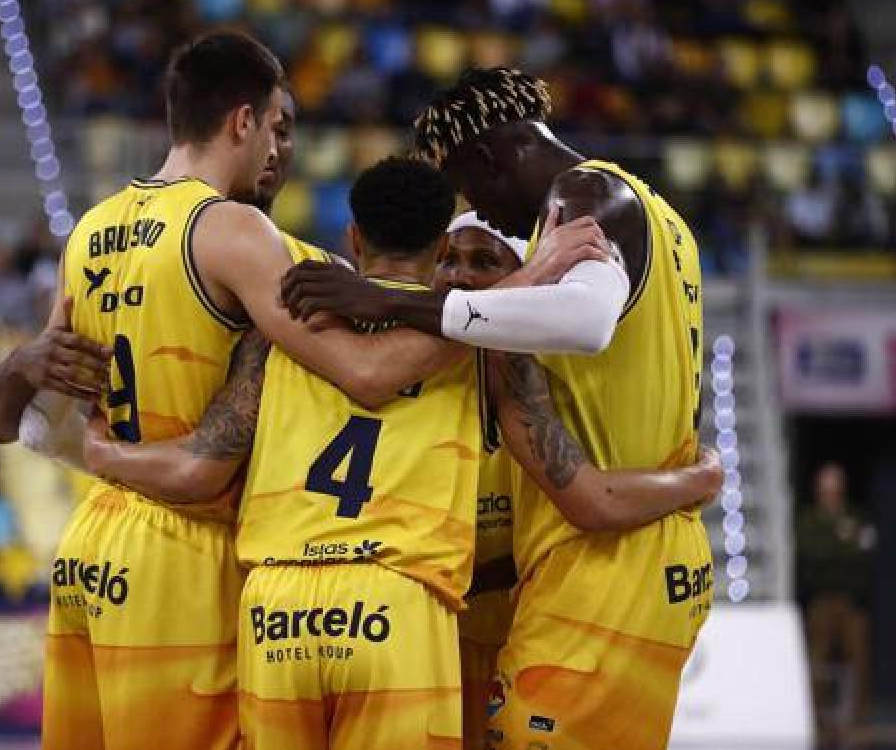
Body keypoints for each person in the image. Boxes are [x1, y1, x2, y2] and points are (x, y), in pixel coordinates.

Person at [0, 33, 553, 750]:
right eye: (278, 128)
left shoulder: (90, 231)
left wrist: (19, 370)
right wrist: (513, 294)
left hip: (94, 543)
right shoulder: (238, 233)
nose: (281, 150)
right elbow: (367, 372)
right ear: (241, 122)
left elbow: (26, 426)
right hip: (186, 546)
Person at [80, 158, 720, 749]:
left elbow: (200, 465)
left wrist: (98, 454)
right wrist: (699, 477)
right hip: (398, 609)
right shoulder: (489, 351)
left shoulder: (279, 333)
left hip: (276, 611)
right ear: (442, 246)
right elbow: (587, 496)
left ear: (353, 239)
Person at [281, 67, 712, 750]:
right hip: (636, 545)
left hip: (610, 556)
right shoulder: (663, 218)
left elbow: (588, 319)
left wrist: (392, 300)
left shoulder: (585, 191)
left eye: (468, 184)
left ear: (488, 157)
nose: (475, 205)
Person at [434, 213, 528, 750]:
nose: (460, 276)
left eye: (484, 262)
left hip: (529, 639)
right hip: (441, 642)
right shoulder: (414, 376)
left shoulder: (554, 381)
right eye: (449, 259)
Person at [797, 461, 874, 742]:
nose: (829, 493)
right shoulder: (809, 520)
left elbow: (863, 557)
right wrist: (842, 544)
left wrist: (839, 547)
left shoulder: (856, 517)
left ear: (842, 489)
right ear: (818, 490)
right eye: (824, 488)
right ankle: (818, 722)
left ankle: (857, 723)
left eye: (834, 487)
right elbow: (813, 555)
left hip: (851, 602)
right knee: (818, 661)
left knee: (859, 661)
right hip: (821, 602)